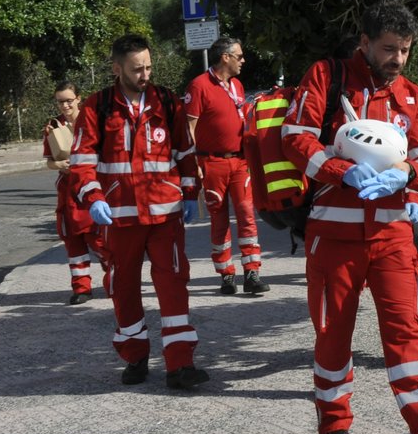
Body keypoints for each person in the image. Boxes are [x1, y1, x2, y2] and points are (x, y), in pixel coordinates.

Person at [280, 0, 418, 434]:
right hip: (333, 236)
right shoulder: (327, 78)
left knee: (407, 331)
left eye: (406, 50)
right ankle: (333, 421)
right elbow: (294, 137)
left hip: (393, 237)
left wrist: (409, 176)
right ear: (365, 43)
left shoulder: (413, 96)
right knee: (333, 334)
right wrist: (338, 171)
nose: (397, 59)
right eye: (389, 48)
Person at [69, 35, 209, 390]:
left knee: (174, 285)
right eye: (137, 69)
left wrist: (191, 192)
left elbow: (185, 153)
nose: (145, 74)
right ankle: (135, 356)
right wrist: (94, 198)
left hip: (166, 215)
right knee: (123, 287)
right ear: (117, 69)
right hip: (118, 218)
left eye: (148, 66)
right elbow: (81, 163)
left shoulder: (167, 101)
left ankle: (180, 364)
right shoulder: (96, 107)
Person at [184, 36, 268, 295]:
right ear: (225, 58)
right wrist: (193, 164)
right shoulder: (199, 86)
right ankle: (226, 275)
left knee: (246, 215)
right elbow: (189, 127)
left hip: (239, 161)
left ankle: (252, 272)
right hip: (212, 162)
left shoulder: (238, 85)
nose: (243, 61)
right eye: (239, 56)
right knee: (219, 220)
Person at [42, 81, 110, 304]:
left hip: (91, 187)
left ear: (79, 98)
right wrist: (61, 166)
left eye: (69, 100)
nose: (65, 105)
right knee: (73, 241)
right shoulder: (52, 127)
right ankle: (81, 288)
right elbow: (50, 162)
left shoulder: (92, 121)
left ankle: (116, 281)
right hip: (68, 190)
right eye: (61, 102)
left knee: (100, 240)